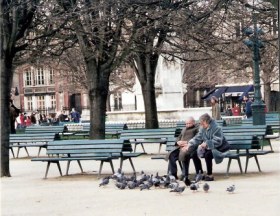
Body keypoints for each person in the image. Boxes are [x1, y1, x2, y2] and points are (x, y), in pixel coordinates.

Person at [187, 113, 230, 181]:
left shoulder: (216, 128)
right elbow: (198, 138)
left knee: (208, 155)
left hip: (219, 148)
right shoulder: (202, 128)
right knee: (194, 154)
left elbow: (218, 141)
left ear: (207, 121)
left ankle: (210, 175)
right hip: (209, 147)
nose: (201, 125)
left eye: (202, 123)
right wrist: (189, 144)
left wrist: (207, 143)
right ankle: (199, 173)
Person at [167, 117, 203, 186]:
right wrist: (178, 142)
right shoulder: (183, 129)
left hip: (190, 147)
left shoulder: (197, 129)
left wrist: (187, 143)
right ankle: (173, 174)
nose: (187, 125)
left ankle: (184, 174)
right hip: (180, 147)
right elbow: (178, 137)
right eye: (186, 123)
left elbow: (197, 139)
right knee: (171, 154)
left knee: (185, 153)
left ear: (193, 122)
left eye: (189, 123)